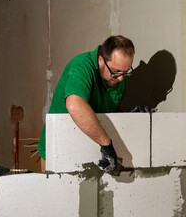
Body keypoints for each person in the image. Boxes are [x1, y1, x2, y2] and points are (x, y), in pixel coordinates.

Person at [37, 35, 135, 173]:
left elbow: (105, 107)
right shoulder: (81, 67)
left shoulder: (118, 77)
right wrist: (106, 145)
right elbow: (75, 106)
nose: (120, 78)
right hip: (59, 148)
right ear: (101, 60)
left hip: (90, 147)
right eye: (116, 72)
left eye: (125, 72)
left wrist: (131, 116)